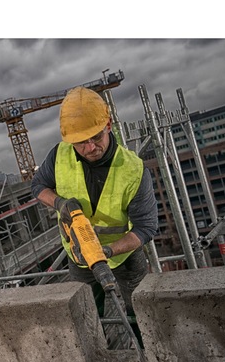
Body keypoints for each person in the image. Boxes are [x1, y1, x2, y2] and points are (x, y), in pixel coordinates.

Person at [31, 86, 158, 346]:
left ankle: (149, 355)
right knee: (88, 317)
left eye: (96, 137)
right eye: (81, 142)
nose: (90, 147)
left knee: (141, 313)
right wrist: (60, 203)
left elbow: (146, 227)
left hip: (124, 255)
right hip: (79, 257)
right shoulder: (59, 155)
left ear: (108, 125)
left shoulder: (134, 169)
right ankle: (98, 361)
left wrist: (107, 252)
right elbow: (37, 187)